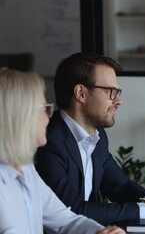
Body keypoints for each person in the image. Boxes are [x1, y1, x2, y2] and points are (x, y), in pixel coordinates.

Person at [34, 53, 145, 226]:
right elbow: (71, 210)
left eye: (117, 92)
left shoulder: (98, 136)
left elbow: (120, 185)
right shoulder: (48, 141)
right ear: (81, 93)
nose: (119, 101)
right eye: (111, 92)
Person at [0, 68, 125, 234]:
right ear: (20, 115)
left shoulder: (26, 170)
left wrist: (99, 232)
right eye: (44, 108)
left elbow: (66, 220)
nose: (48, 117)